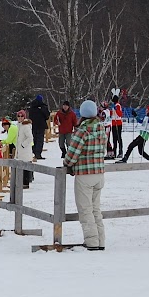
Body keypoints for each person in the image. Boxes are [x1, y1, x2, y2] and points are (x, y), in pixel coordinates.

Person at [64, 100, 106, 250]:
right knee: (95, 208)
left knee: (85, 209)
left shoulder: (82, 130)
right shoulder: (101, 128)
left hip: (85, 174)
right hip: (99, 172)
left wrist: (67, 164)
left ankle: (92, 241)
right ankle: (101, 240)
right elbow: (104, 149)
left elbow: (72, 153)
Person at [14, 110, 34, 189]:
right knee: (22, 166)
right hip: (20, 150)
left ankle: (25, 183)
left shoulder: (25, 126)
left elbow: (30, 138)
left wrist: (23, 145)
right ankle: (22, 182)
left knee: (25, 166)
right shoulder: (19, 125)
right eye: (18, 116)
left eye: (21, 116)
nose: (20, 117)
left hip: (24, 150)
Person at [27, 95, 50, 159]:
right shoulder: (43, 107)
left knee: (34, 139)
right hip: (41, 125)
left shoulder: (31, 107)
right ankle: (38, 154)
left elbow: (30, 116)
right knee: (40, 140)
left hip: (33, 125)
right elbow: (47, 116)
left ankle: (33, 152)